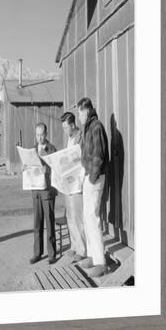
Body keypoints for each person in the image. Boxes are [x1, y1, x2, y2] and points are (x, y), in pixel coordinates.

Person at [77, 97, 109, 278]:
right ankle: (91, 255)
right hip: (89, 177)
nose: (79, 116)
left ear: (86, 111)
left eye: (80, 112)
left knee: (93, 217)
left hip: (94, 179)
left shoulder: (96, 126)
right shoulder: (89, 127)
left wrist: (92, 177)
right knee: (87, 217)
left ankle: (100, 263)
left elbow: (98, 156)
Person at [29, 123, 57, 265]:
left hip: (47, 191)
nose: (39, 137)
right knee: (37, 223)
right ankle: (37, 253)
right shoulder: (32, 150)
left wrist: (48, 170)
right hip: (36, 191)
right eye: (37, 134)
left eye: (42, 134)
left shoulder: (51, 149)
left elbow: (56, 168)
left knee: (49, 222)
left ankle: (52, 254)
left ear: (46, 134)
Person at [60, 112, 86, 262]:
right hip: (68, 182)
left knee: (78, 217)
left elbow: (81, 158)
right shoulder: (69, 139)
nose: (64, 131)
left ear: (72, 125)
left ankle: (82, 249)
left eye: (65, 128)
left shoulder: (80, 137)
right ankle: (74, 246)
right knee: (70, 216)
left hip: (77, 183)